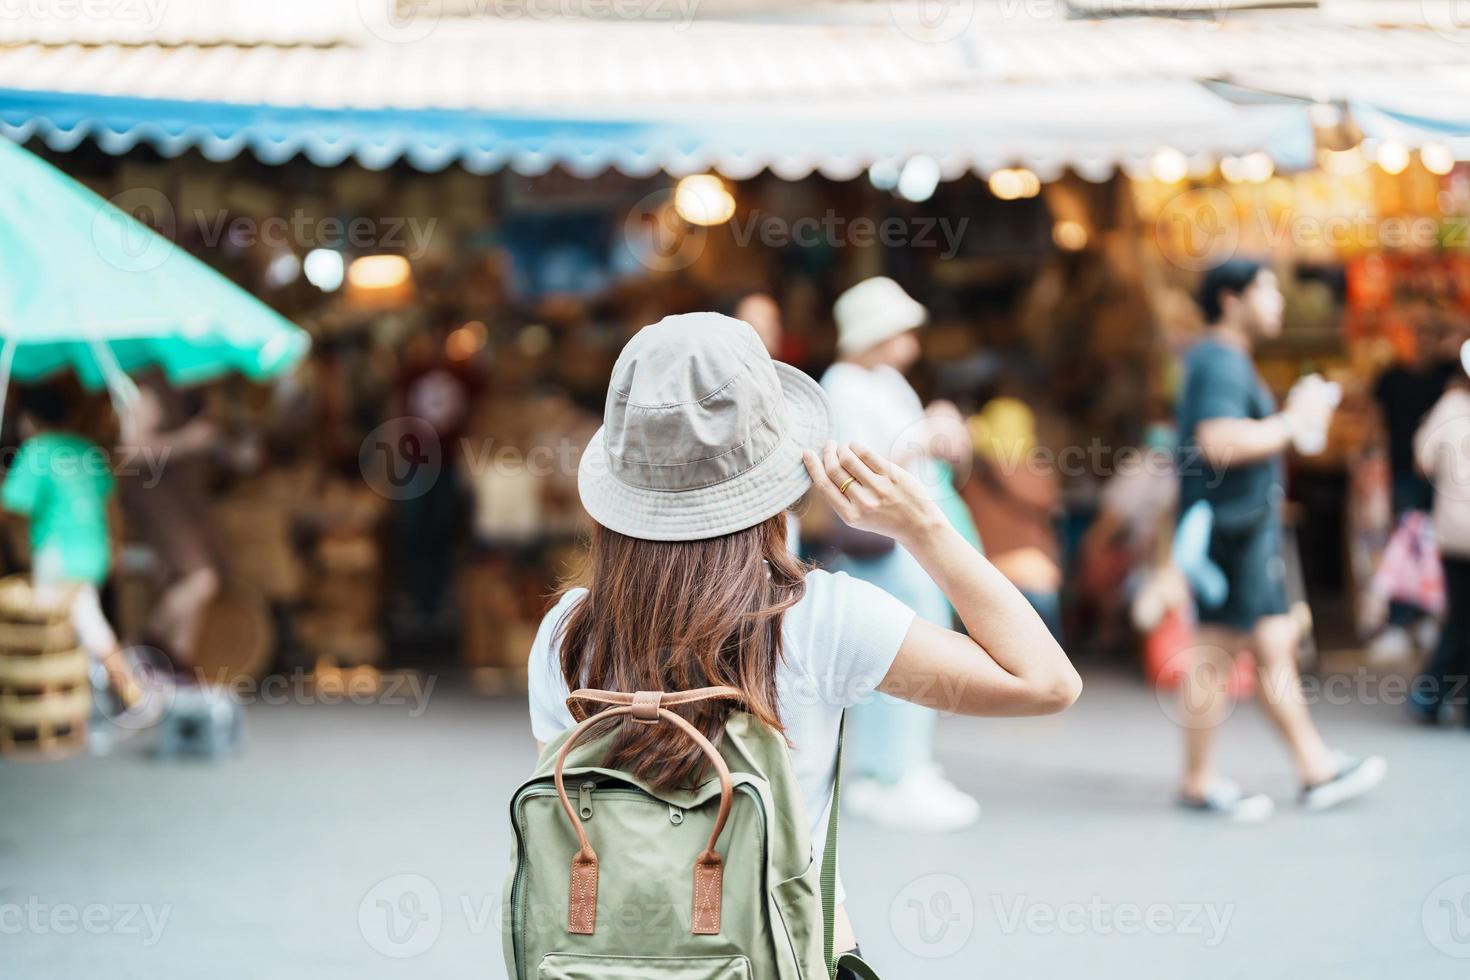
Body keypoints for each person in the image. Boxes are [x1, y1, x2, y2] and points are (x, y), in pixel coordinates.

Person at [526, 312, 1079, 969]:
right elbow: (1045, 683)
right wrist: (926, 528)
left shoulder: (566, 632)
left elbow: (579, 814)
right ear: (776, 473)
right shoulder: (819, 618)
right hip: (779, 953)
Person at [1174, 258, 1385, 819]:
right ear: (1229, 299)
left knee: (1272, 649)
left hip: (1243, 529)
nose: (1279, 302)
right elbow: (1217, 442)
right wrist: (1292, 423)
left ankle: (1314, 767)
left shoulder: (1224, 358)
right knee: (1216, 655)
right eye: (1266, 290)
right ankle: (1200, 780)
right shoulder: (1219, 361)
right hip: (1232, 530)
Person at [819, 276, 985, 831]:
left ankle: (905, 765)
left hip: (912, 543)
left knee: (917, 647)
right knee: (895, 655)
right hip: (883, 547)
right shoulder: (840, 386)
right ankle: (888, 773)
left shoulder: (889, 383)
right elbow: (854, 465)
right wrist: (925, 436)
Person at [2, 383, 138, 706]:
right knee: (75, 625)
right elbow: (112, 509)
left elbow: (10, 508)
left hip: (58, 556)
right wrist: (115, 550)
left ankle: (132, 691)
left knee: (78, 627)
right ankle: (78, 699)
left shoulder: (38, 451)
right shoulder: (87, 449)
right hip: (95, 553)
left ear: (29, 419)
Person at [118, 376, 225, 670]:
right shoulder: (147, 388)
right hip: (157, 500)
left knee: (182, 582)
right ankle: (135, 654)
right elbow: (130, 452)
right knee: (201, 580)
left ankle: (176, 671)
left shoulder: (180, 387)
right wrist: (188, 440)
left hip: (180, 500)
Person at [1370, 319, 1459, 658]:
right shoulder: (1392, 377)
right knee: (1405, 546)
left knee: (1430, 549)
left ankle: (1427, 616)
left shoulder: (1447, 377)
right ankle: (1402, 619)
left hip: (1440, 482)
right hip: (1404, 473)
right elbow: (1375, 422)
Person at [962, 396, 1064, 639]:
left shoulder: (971, 477)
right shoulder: (1038, 474)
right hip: (1037, 578)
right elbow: (1049, 506)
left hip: (987, 577)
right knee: (1047, 655)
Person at [1409, 341, 1470, 726]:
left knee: (1460, 620)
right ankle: (1433, 694)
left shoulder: (1449, 409)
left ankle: (1431, 694)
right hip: (1458, 534)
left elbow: (1422, 459)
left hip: (1454, 533)